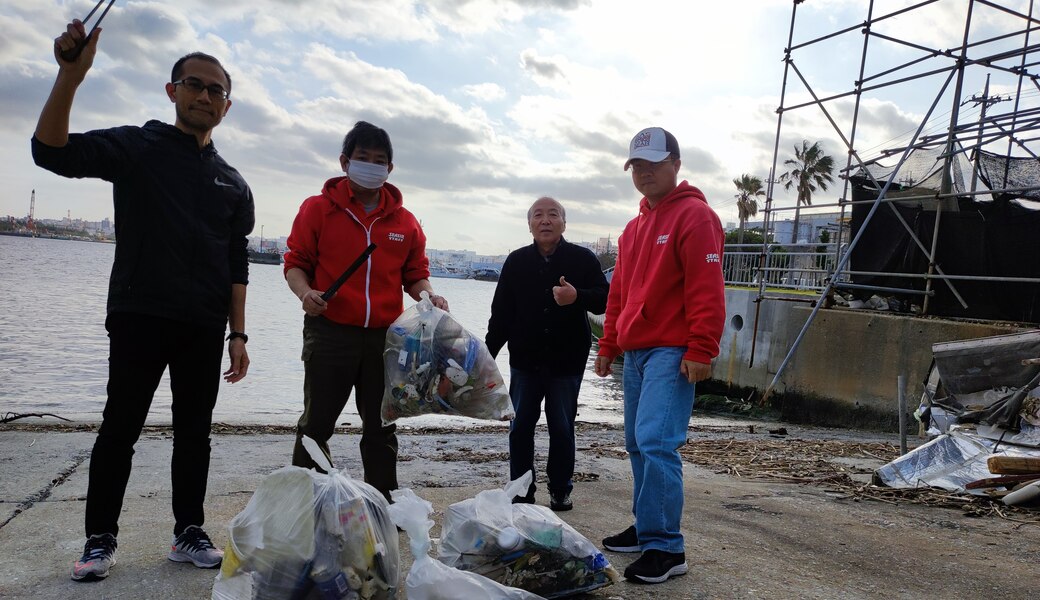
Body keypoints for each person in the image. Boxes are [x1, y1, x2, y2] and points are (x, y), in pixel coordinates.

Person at [32, 21, 254, 582]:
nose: (204, 95)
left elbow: (236, 264)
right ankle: (100, 537)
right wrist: (70, 76)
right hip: (138, 315)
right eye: (194, 84)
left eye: (215, 90)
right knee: (120, 428)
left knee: (194, 434)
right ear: (172, 91)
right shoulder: (138, 147)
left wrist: (238, 335)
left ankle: (188, 531)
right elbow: (50, 151)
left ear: (226, 106)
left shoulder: (234, 182)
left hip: (203, 326)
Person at [284, 121, 448, 502]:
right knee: (316, 424)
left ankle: (382, 500)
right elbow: (295, 263)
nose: (371, 166)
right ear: (345, 161)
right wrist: (306, 294)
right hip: (329, 331)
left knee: (381, 424)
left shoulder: (404, 222)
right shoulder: (318, 209)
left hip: (387, 338)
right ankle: (304, 502)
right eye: (363, 158)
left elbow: (416, 274)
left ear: (390, 169)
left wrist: (429, 297)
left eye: (380, 160)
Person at [594, 127, 725, 584]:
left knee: (657, 441)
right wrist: (608, 345)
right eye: (637, 166)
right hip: (635, 352)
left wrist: (702, 347)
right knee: (635, 441)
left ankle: (667, 546)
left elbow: (707, 289)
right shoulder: (633, 228)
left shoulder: (696, 216)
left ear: (676, 163)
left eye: (653, 162)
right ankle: (647, 526)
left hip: (673, 350)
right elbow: (620, 295)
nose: (645, 172)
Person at [486, 197, 608, 511]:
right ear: (529, 225)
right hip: (525, 361)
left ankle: (561, 490)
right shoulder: (516, 261)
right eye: (538, 215)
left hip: (566, 361)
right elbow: (501, 315)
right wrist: (486, 356)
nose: (545, 220)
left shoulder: (582, 259)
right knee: (520, 426)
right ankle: (522, 490)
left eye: (553, 215)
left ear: (563, 223)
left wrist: (576, 296)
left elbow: (604, 300)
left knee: (562, 427)